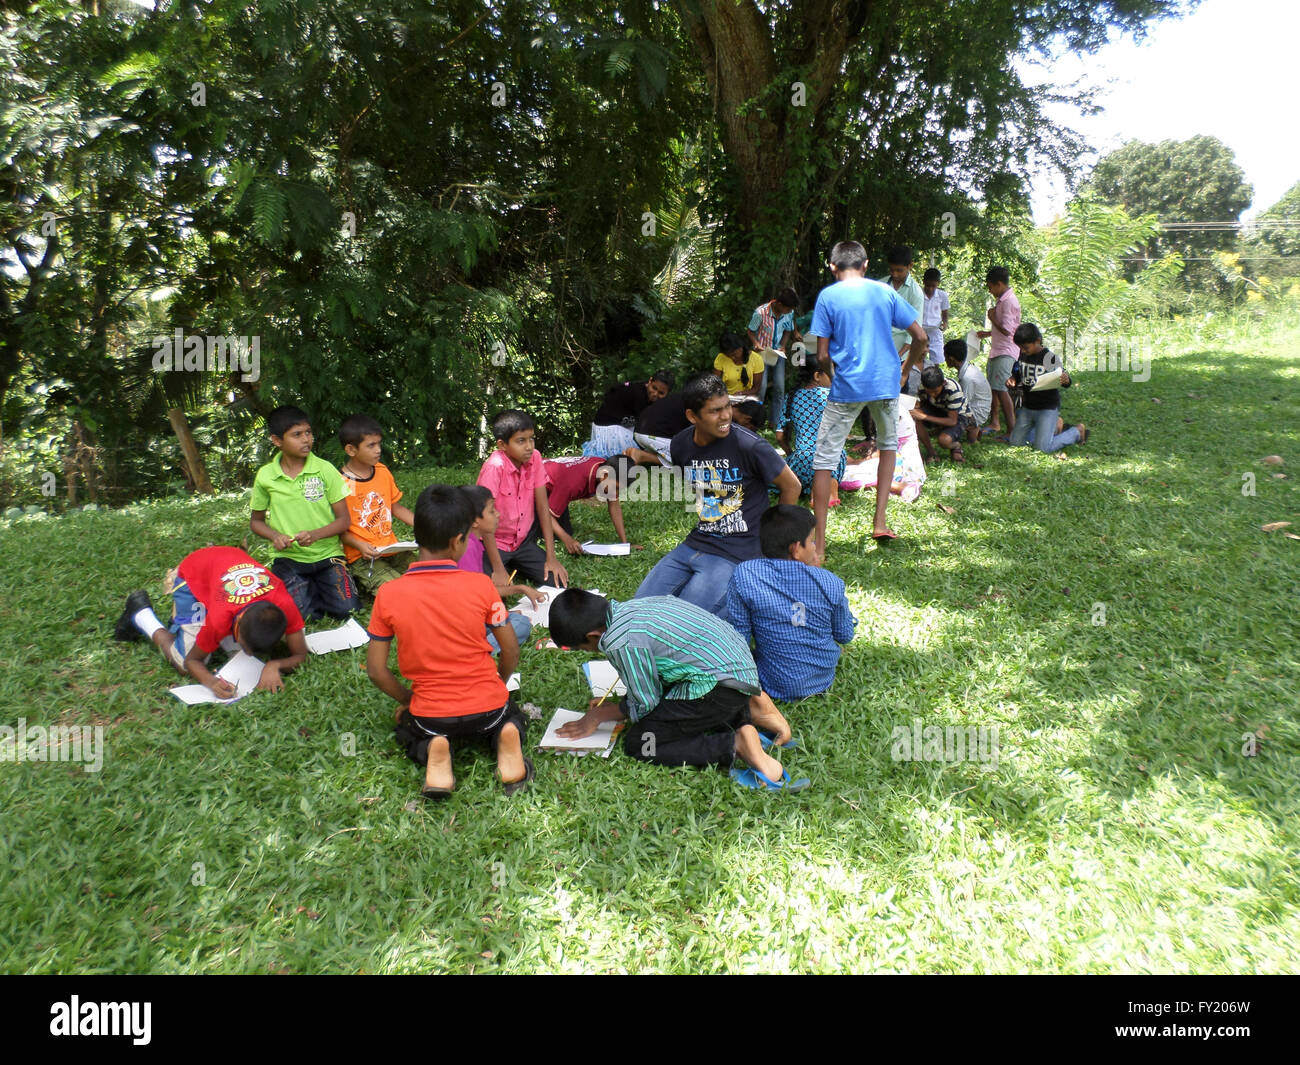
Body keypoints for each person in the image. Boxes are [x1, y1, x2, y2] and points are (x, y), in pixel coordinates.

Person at [548, 589, 809, 791]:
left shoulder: (620, 641)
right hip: (738, 668)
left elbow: (646, 701)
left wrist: (600, 715)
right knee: (677, 704)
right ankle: (748, 709)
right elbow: (658, 673)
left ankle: (733, 743)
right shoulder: (630, 608)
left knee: (641, 743)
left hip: (718, 687)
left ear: (593, 635)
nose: (590, 652)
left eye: (584, 649)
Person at [366, 484, 531, 800]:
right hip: (490, 707)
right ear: (458, 541)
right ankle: (506, 734)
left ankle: (434, 747)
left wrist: (407, 699)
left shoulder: (388, 594)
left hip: (430, 715)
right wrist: (498, 682)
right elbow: (510, 648)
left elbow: (376, 671)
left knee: (410, 730)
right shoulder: (482, 585)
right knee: (509, 716)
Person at [634, 373, 800, 616]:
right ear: (692, 416)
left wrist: (773, 547)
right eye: (714, 411)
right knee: (637, 610)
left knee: (686, 622)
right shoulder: (680, 444)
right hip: (696, 543)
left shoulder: (749, 445)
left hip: (738, 553)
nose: (725, 417)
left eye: (727, 408)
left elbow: (792, 486)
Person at [809, 240, 929, 554]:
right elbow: (921, 337)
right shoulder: (886, 292)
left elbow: (821, 355)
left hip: (847, 386)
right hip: (886, 384)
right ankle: (879, 523)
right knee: (889, 446)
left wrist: (834, 377)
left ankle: (819, 544)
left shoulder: (828, 296)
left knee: (823, 461)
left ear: (833, 267)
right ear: (865, 265)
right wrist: (904, 371)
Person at [112, 546, 308, 697]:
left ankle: (185, 624)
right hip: (192, 578)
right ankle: (140, 614)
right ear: (235, 626)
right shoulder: (219, 619)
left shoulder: (284, 604)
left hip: (222, 565)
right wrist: (210, 681)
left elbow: (300, 654)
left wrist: (274, 665)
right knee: (181, 662)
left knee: (236, 653)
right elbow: (192, 661)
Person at [726, 505, 856, 701]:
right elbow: (845, 635)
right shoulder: (830, 582)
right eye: (812, 541)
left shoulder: (745, 574)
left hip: (769, 681)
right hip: (819, 681)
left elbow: (740, 638)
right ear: (796, 548)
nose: (814, 547)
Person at [250, 405, 358, 620]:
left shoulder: (325, 469)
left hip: (327, 556)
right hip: (289, 558)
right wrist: (275, 536)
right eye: (296, 435)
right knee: (304, 615)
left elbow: (344, 520)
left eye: (308, 432)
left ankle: (315, 587)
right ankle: (308, 589)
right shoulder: (266, 475)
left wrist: (315, 534)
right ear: (277, 440)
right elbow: (256, 522)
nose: (306, 439)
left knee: (348, 610)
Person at [476, 409, 569, 589]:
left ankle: (513, 562)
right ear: (502, 445)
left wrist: (551, 557)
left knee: (557, 583)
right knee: (490, 592)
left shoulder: (535, 458)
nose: (529, 446)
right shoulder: (494, 468)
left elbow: (543, 508)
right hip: (495, 543)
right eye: (521, 441)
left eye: (531, 439)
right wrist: (497, 568)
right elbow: (483, 520)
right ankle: (502, 564)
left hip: (522, 542)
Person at [337, 414, 416, 597]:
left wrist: (425, 525)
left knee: (427, 577)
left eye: (379, 444)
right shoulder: (340, 483)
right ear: (351, 449)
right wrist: (359, 545)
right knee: (399, 593)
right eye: (371, 445)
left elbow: (395, 507)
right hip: (363, 556)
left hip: (393, 549)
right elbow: (340, 529)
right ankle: (360, 579)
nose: (378, 450)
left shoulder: (382, 471)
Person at [459, 485, 537, 655]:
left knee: (517, 620)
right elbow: (469, 601)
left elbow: (481, 591)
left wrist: (520, 588)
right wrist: (498, 616)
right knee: (521, 624)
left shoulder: (473, 544)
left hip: (473, 618)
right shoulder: (466, 550)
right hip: (464, 625)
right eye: (492, 511)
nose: (498, 515)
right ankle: (477, 652)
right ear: (474, 521)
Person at [1007, 323, 1087, 453]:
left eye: (1026, 347)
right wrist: (1013, 379)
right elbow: (1017, 372)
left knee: (1042, 449)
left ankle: (1076, 432)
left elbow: (1065, 378)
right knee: (1015, 443)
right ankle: (1053, 428)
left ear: (1037, 341)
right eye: (1020, 348)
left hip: (1047, 408)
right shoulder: (1023, 355)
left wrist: (1066, 380)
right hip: (1028, 408)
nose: (1022, 351)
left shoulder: (1049, 358)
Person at [777, 354, 845, 503]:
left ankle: (815, 490)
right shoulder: (831, 396)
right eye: (830, 372)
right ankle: (828, 492)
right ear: (817, 376)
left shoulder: (791, 397)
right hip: (830, 458)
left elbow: (779, 436)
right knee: (837, 456)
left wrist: (790, 454)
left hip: (802, 460)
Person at [543, 455, 630, 550]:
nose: (616, 493)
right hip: (530, 486)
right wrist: (567, 540)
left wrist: (624, 544)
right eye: (616, 488)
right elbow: (546, 515)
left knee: (564, 530)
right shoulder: (573, 483)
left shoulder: (604, 467)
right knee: (540, 533)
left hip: (556, 486)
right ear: (604, 476)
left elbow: (615, 507)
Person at [583, 371, 675, 458]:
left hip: (623, 426)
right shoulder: (637, 393)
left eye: (661, 393)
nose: (655, 394)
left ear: (667, 393)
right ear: (650, 381)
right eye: (654, 388)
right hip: (607, 427)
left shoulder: (656, 401)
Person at [976, 266, 1021, 434]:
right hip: (997, 349)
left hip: (1006, 351)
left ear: (999, 284)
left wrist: (992, 318)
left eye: (991, 287)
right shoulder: (1002, 299)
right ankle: (995, 422)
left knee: (1002, 388)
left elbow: (1008, 330)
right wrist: (988, 333)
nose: (990, 290)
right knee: (994, 387)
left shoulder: (1009, 301)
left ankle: (1012, 429)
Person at [747, 287, 800, 426]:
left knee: (779, 387)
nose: (790, 312)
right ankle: (756, 420)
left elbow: (788, 330)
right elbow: (750, 331)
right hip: (762, 354)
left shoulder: (789, 313)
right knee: (761, 387)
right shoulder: (760, 313)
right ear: (780, 305)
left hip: (778, 353)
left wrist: (783, 345)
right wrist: (756, 343)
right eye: (788, 309)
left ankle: (774, 421)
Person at [880, 246, 925, 394]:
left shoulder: (915, 293)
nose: (894, 274)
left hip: (900, 352)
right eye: (891, 270)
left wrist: (899, 355)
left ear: (910, 266)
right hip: (879, 348)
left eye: (899, 270)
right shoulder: (881, 285)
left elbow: (914, 333)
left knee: (896, 395)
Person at [911, 365, 975, 463]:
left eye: (935, 392)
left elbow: (952, 421)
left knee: (944, 441)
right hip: (939, 410)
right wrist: (918, 409)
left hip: (959, 415)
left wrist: (924, 417)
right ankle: (931, 453)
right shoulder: (922, 387)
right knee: (915, 417)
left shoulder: (953, 389)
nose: (932, 394)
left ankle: (956, 445)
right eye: (929, 392)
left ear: (943, 383)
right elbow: (921, 404)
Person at [626, 388, 690, 466]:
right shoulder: (695, 404)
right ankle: (643, 456)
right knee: (690, 461)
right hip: (653, 435)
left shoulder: (678, 397)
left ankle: (647, 454)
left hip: (639, 432)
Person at [943, 337, 991, 443]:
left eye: (945, 356)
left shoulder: (967, 377)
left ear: (951, 358)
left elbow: (963, 404)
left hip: (977, 411)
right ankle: (974, 433)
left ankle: (973, 429)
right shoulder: (967, 369)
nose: (944, 359)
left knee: (947, 415)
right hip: (977, 405)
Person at [712, 332, 764, 399]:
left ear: (741, 347)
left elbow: (756, 388)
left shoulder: (756, 359)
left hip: (747, 397)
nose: (732, 357)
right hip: (726, 397)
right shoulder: (721, 358)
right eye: (728, 355)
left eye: (734, 354)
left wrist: (741, 394)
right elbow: (716, 384)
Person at [921, 268, 950, 366]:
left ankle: (935, 378)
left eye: (933, 286)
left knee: (937, 357)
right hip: (920, 329)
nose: (930, 289)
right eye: (928, 285)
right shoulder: (918, 293)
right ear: (923, 281)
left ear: (938, 283)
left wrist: (945, 323)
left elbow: (945, 313)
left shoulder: (942, 295)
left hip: (935, 329)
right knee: (919, 354)